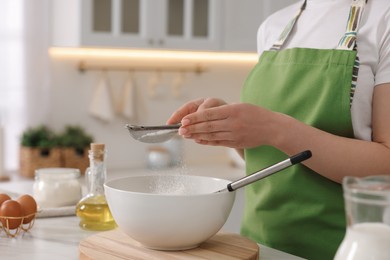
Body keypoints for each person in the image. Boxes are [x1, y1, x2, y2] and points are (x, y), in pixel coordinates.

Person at [166, 0, 390, 259]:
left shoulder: (382, 18)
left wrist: (273, 127)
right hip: (258, 246)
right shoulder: (273, 27)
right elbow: (272, 159)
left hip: (342, 249)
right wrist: (233, 129)